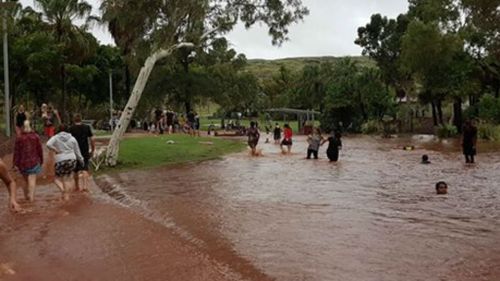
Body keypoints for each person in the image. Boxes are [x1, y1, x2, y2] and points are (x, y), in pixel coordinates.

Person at [47, 124, 84, 201]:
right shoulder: (72, 138)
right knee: (68, 178)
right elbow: (77, 152)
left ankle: (63, 191)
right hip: (72, 159)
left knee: (56, 179)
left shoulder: (55, 137)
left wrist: (55, 149)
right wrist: (81, 161)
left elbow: (48, 144)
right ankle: (66, 196)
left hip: (60, 159)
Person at [13, 120, 43, 202]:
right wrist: (41, 160)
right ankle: (32, 199)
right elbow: (39, 150)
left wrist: (15, 164)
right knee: (32, 180)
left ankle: (26, 197)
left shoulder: (19, 138)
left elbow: (16, 152)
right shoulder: (36, 137)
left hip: (22, 163)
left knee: (24, 180)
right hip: (34, 161)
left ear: (22, 127)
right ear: (31, 126)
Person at [68, 114, 95, 192]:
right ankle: (85, 186)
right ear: (81, 119)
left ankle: (76, 186)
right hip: (84, 150)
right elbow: (92, 139)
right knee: (85, 168)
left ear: (74, 120)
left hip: (74, 151)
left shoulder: (70, 128)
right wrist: (93, 150)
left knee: (75, 169)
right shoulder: (87, 127)